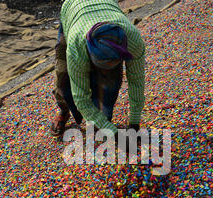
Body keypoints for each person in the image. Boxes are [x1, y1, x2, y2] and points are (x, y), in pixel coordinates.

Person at [50, 0, 146, 140]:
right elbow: (80, 98)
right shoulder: (76, 46)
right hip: (73, 9)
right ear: (89, 55)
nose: (105, 71)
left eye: (113, 64)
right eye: (102, 66)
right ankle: (64, 110)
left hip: (105, 6)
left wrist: (135, 124)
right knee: (63, 80)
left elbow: (136, 81)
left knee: (111, 83)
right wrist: (115, 135)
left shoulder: (133, 40)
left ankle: (101, 119)